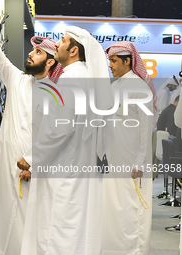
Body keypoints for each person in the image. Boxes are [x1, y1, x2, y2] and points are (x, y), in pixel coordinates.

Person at [0, 1, 63, 254]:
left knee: (25, 230)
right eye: (32, 52)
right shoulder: (17, 80)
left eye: (38, 53)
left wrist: (36, 166)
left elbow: (57, 140)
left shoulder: (57, 96)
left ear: (51, 63)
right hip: (4, 163)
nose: (30, 55)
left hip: (30, 169)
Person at [19, 26, 114, 255]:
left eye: (62, 41)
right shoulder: (83, 77)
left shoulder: (72, 79)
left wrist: (31, 158)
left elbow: (60, 129)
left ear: (73, 51)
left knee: (58, 231)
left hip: (65, 170)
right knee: (73, 229)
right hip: (76, 167)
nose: (57, 45)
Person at [103, 41, 156, 255]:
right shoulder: (114, 86)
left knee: (130, 206)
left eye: (114, 60)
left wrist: (140, 160)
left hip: (132, 160)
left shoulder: (140, 87)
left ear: (127, 60)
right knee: (113, 207)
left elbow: (146, 128)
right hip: (113, 159)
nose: (110, 65)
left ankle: (134, 250)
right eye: (109, 60)